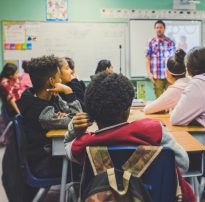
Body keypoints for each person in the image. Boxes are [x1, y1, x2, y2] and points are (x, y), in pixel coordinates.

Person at [64, 72, 195, 201]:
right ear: (127, 109)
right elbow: (183, 164)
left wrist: (73, 129)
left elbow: (67, 147)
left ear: (90, 112)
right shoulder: (153, 130)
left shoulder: (84, 144)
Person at [17, 55, 82, 178]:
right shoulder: (42, 112)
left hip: (49, 154)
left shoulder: (48, 96)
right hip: (44, 163)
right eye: (59, 76)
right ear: (52, 81)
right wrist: (68, 91)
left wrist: (66, 116)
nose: (61, 81)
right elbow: (79, 120)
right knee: (86, 162)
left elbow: (71, 114)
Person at [144, 49, 190, 114]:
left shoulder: (174, 89)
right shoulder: (192, 82)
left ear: (167, 72)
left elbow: (147, 110)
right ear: (186, 71)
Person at [146, 20, 176, 98]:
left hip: (169, 75)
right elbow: (147, 58)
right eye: (157, 27)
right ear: (155, 29)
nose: (159, 29)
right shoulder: (151, 42)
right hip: (156, 76)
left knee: (170, 99)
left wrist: (173, 74)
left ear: (164, 28)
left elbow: (173, 59)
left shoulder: (170, 42)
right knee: (159, 99)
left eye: (161, 27)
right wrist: (149, 73)